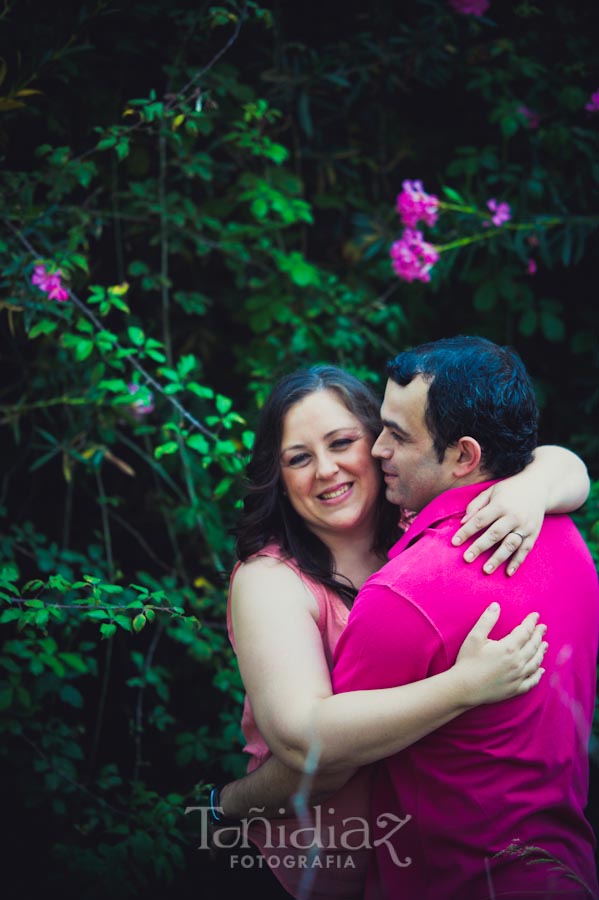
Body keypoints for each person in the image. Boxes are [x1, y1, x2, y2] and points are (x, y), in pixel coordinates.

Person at [215, 363, 590, 900]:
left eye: (342, 442)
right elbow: (303, 740)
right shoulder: (270, 580)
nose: (325, 470)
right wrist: (462, 688)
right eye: (299, 458)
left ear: (381, 444)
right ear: (278, 475)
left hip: (404, 865)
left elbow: (564, 463)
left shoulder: (418, 524)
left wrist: (531, 489)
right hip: (305, 871)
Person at [331, 337, 599, 899]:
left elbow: (329, 760)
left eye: (398, 436)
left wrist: (226, 806)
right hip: (566, 873)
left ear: (464, 456)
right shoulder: (569, 542)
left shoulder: (405, 595)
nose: (376, 450)